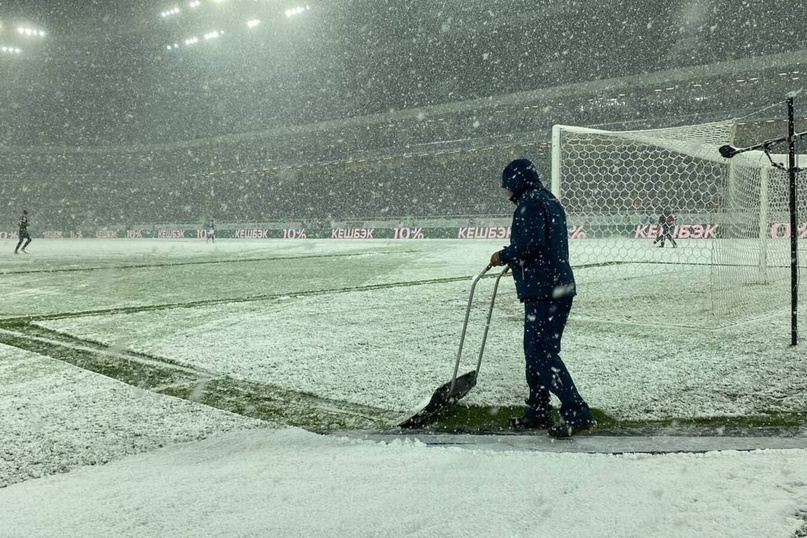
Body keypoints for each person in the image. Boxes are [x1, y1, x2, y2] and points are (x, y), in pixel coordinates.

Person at [489, 159, 595, 439]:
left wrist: (506, 254)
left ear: (516, 182)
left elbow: (531, 243)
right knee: (535, 351)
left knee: (540, 352)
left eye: (507, 186)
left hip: (545, 289)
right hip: (554, 286)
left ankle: (577, 411)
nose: (506, 192)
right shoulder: (548, 200)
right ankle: (538, 409)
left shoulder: (530, 203)